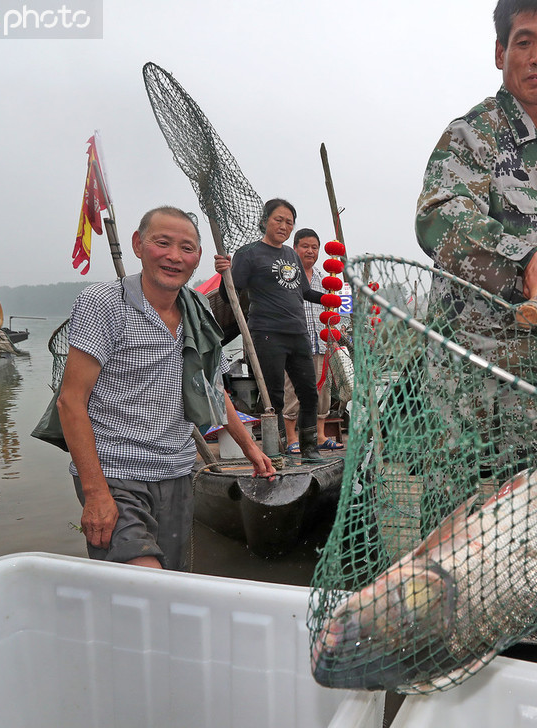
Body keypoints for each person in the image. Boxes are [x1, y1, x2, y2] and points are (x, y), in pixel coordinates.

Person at [414, 0, 537, 494]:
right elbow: (436, 219)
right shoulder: (473, 133)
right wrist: (524, 256)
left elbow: (533, 239)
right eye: (524, 41)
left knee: (520, 518)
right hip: (466, 373)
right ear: (500, 52)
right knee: (453, 524)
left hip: (529, 367)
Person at [58, 207, 275, 571]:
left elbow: (212, 390)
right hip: (115, 473)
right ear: (138, 245)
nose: (174, 256)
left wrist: (251, 449)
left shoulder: (198, 309)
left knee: (173, 583)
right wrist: (95, 493)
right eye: (163, 243)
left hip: (176, 472)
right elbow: (70, 402)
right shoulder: (104, 303)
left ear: (197, 259)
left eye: (186, 248)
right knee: (142, 582)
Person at [215, 199, 326, 462]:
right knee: (272, 395)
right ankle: (275, 451)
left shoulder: (291, 254)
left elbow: (305, 292)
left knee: (309, 392)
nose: (284, 226)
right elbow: (230, 293)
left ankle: (310, 449)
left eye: (289, 221)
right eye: (279, 219)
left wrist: (331, 300)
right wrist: (224, 274)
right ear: (265, 220)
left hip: (298, 333)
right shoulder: (249, 253)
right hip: (266, 333)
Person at [282, 228, 343, 453]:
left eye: (314, 247)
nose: (310, 251)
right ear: (295, 248)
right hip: (295, 343)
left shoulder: (325, 278)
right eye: (305, 246)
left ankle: (319, 435)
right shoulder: (287, 275)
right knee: (293, 390)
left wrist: (334, 338)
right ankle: (291, 438)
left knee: (322, 390)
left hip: (321, 342)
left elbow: (334, 311)